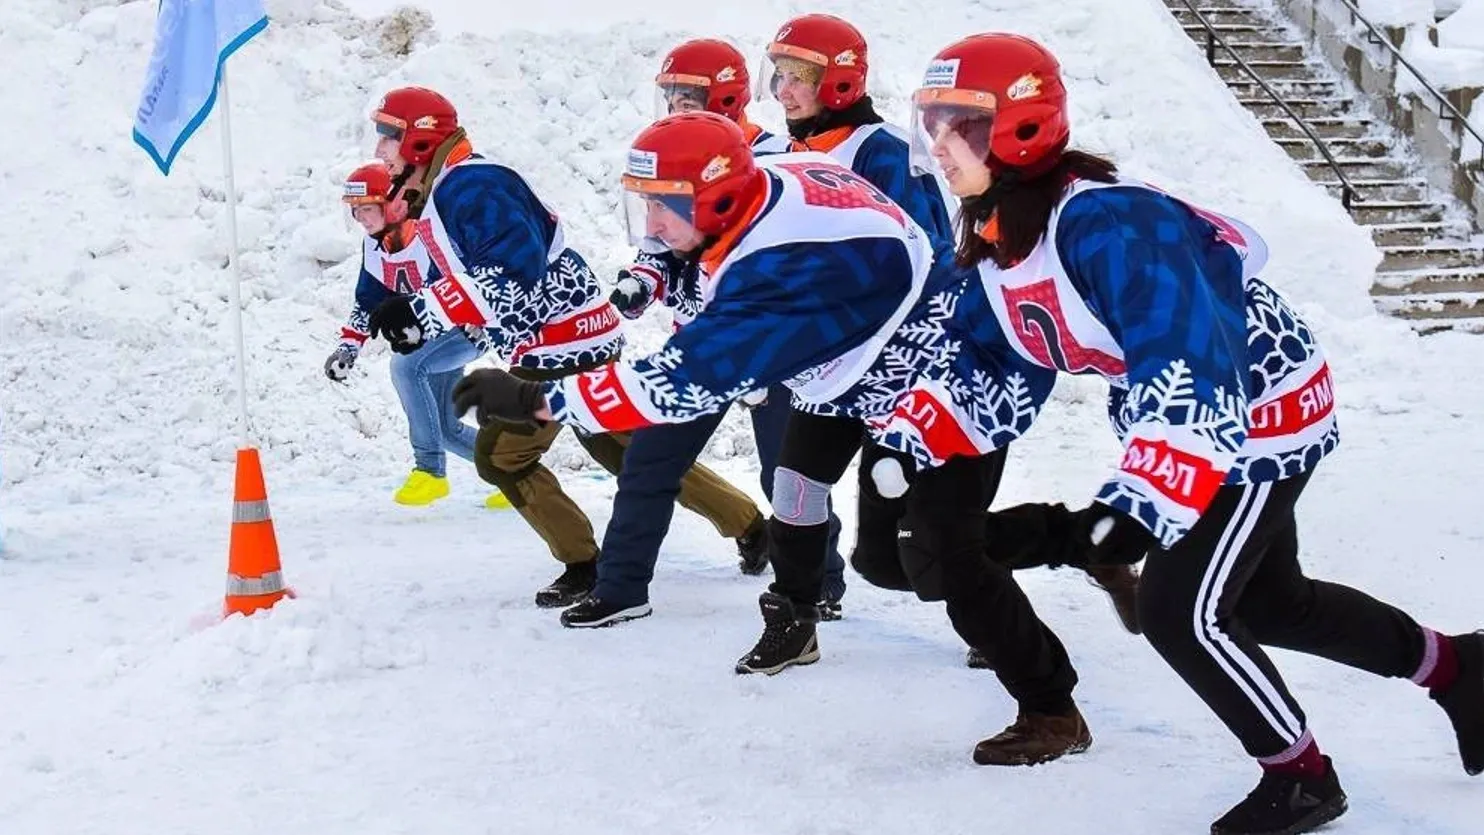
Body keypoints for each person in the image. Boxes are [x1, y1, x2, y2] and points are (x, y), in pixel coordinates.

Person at [900, 31, 1484, 834]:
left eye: (959, 124)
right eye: (930, 121)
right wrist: (924, 424)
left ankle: (1302, 777)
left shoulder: (1108, 222)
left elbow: (1185, 351)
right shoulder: (1003, 233)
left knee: (1182, 612)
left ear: (1020, 127)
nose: (938, 142)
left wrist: (1150, 491)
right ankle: (1459, 668)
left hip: (1253, 416)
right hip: (1213, 420)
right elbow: (1000, 352)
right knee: (1273, 604)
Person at [452, 112, 1099, 765]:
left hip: (938, 383)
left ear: (716, 198)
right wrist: (660, 262)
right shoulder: (763, 184)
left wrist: (536, 397)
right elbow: (688, 260)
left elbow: (675, 385)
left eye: (662, 206)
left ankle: (1053, 696)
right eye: (643, 204)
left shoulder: (785, 272)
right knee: (794, 490)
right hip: (847, 366)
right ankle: (795, 614)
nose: (650, 224)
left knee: (926, 559)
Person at [362, 87, 768, 609]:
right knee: (625, 452)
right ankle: (750, 525)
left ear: (418, 140)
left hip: (562, 344)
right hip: (564, 336)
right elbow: (490, 282)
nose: (379, 152)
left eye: (387, 136)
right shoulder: (455, 186)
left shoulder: (472, 185)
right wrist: (421, 311)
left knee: (502, 456)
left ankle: (584, 563)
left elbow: (511, 277)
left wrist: (421, 311)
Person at [566, 37, 833, 630]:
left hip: (769, 344)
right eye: (670, 94)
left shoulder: (777, 156)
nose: (676, 105)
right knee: (651, 460)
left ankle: (822, 583)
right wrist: (641, 279)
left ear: (730, 94)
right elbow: (658, 240)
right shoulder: (669, 151)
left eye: (689, 94)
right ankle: (621, 588)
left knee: (786, 474)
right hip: (702, 339)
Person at [326, 161, 503, 507]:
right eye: (355, 211)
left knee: (405, 366)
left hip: (467, 327)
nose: (360, 218)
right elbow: (367, 302)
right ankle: (514, 472)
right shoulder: (374, 247)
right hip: (428, 334)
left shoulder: (429, 235)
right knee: (446, 428)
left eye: (366, 208)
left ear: (392, 204)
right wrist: (347, 348)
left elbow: (466, 279)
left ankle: (429, 470)